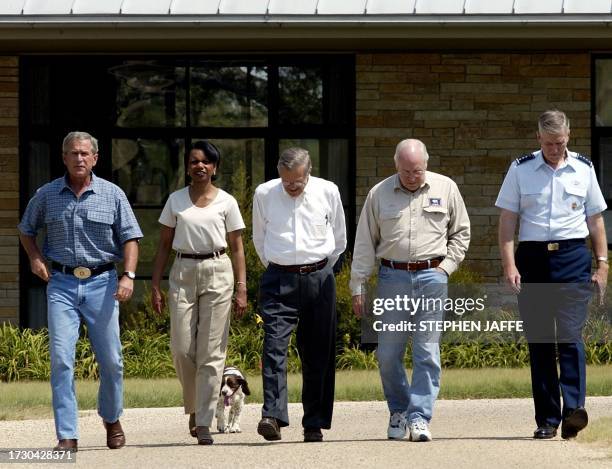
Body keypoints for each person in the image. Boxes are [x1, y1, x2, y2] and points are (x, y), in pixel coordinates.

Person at [18, 131, 143, 452]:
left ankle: (112, 419)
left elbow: (131, 237)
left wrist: (128, 276)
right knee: (61, 359)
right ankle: (67, 434)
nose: (79, 159)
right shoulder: (47, 195)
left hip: (103, 284)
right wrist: (35, 258)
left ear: (95, 158)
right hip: (61, 284)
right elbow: (26, 229)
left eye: (85, 154)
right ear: (64, 157)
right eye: (73, 153)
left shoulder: (112, 194)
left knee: (112, 360)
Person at [496, 109, 608, 440]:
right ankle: (547, 418)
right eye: (548, 144)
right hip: (533, 261)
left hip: (573, 258)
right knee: (541, 342)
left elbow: (596, 221)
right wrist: (509, 264)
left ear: (568, 137)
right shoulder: (520, 169)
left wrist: (603, 263)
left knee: (571, 337)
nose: (554, 150)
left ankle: (573, 412)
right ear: (538, 139)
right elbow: (506, 222)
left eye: (559, 143)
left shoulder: (584, 169)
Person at [350, 138, 470, 442]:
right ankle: (399, 410)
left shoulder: (446, 188)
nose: (412, 177)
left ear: (426, 164)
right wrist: (358, 285)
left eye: (417, 171)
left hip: (433, 276)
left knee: (426, 351)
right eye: (406, 172)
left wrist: (446, 268)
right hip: (393, 278)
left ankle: (419, 418)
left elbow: (461, 232)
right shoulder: (379, 193)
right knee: (388, 354)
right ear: (396, 166)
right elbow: (365, 242)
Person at [151, 140, 247, 445]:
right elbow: (164, 244)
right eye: (194, 161)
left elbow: (237, 247)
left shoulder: (227, 202)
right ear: (188, 167)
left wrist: (242, 287)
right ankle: (195, 403)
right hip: (183, 271)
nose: (200, 166)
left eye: (206, 161)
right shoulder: (175, 200)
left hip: (219, 270)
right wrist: (154, 283)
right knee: (181, 347)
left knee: (211, 351)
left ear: (215, 167)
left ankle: (203, 420)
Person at [253, 147, 346, 443]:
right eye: (286, 182)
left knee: (319, 352)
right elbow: (259, 238)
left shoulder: (328, 191)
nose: (291, 187)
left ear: (309, 172)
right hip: (279, 278)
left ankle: (314, 423)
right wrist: (279, 267)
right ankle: (273, 415)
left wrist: (320, 269)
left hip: (319, 276)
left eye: (297, 182)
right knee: (274, 347)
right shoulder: (265, 193)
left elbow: (340, 237)